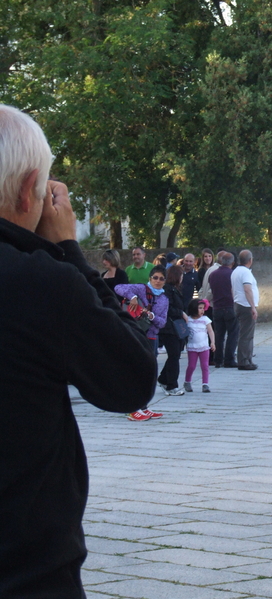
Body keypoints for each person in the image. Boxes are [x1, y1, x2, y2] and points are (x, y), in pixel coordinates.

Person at [0, 104, 158, 598]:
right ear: (31, 190)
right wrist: (68, 250)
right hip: (26, 569)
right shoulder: (39, 283)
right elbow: (131, 379)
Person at [115, 266, 170, 420]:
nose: (158, 281)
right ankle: (131, 408)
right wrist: (132, 296)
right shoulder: (140, 289)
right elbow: (118, 287)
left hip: (151, 337)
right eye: (155, 278)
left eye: (161, 278)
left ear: (165, 281)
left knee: (147, 373)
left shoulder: (164, 299)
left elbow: (162, 323)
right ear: (150, 278)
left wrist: (152, 316)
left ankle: (143, 407)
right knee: (134, 371)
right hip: (134, 334)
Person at [158, 263, 188, 395]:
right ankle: (171, 385)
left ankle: (164, 379)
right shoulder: (167, 290)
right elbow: (167, 308)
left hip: (175, 327)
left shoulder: (176, 289)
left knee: (174, 355)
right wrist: (180, 313)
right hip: (168, 327)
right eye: (181, 275)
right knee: (174, 356)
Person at [208, 251, 239, 368]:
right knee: (233, 333)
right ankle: (229, 359)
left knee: (219, 335)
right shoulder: (233, 274)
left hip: (216, 307)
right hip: (230, 306)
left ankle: (218, 359)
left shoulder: (213, 274)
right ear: (233, 262)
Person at [232, 249, 260, 370]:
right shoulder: (246, 273)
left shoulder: (236, 271)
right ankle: (244, 361)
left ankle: (248, 358)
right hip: (246, 305)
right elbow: (247, 289)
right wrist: (253, 307)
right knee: (246, 335)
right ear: (250, 260)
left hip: (239, 303)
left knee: (246, 334)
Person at [184, 299, 215, 393]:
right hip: (192, 347)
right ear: (194, 309)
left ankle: (205, 384)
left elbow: (210, 331)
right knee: (191, 366)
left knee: (205, 366)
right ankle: (187, 381)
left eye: (203, 308)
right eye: (200, 308)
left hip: (204, 347)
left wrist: (212, 342)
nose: (202, 310)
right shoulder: (188, 320)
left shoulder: (205, 319)